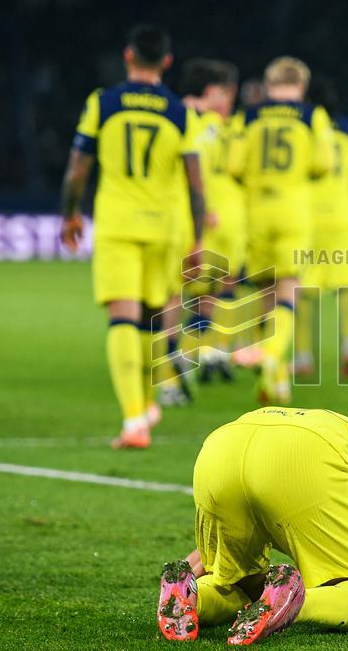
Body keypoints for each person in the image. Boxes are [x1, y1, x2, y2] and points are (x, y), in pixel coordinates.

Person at [157, 407, 348, 644]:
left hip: (222, 447)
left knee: (239, 583)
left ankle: (191, 595)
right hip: (306, 454)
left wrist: (193, 567)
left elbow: (209, 558)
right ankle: (297, 603)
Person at [59, 25, 205, 449]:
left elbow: (77, 169)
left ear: (127, 56)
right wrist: (196, 241)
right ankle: (145, 405)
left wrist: (69, 214)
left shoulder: (102, 104)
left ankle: (133, 421)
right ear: (166, 62)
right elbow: (195, 184)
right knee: (148, 323)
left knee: (122, 318)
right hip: (163, 229)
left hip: (119, 225)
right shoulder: (180, 112)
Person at [229, 57, 335, 404]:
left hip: (256, 209)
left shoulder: (250, 115)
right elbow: (325, 164)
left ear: (269, 84)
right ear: (300, 85)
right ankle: (274, 356)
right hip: (294, 209)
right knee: (288, 290)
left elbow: (234, 165)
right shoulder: (311, 116)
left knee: (264, 290)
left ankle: (273, 368)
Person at [179, 59, 246, 384]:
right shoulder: (196, 123)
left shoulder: (224, 125)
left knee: (220, 287)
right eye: (225, 93)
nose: (228, 100)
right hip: (209, 217)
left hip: (230, 217)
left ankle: (212, 352)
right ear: (210, 92)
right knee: (196, 288)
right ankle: (183, 353)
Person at [294, 78, 348, 378]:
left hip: (308, 218)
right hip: (344, 217)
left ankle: (302, 357)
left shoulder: (304, 128)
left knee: (302, 290)